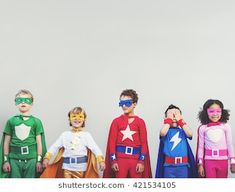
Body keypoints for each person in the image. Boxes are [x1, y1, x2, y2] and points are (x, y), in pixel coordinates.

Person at [41, 106, 105, 178]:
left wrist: (101, 161)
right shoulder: (65, 135)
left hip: (81, 168)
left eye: (80, 116)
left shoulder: (86, 135)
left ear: (84, 119)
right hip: (67, 167)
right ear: (69, 119)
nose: (77, 119)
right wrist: (47, 158)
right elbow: (54, 147)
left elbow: (95, 148)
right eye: (74, 116)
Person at [103, 89, 152, 178]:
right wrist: (113, 160)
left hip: (136, 159)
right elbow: (111, 143)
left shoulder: (140, 122)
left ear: (134, 104)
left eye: (127, 103)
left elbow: (144, 143)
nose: (124, 106)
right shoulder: (116, 122)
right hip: (120, 159)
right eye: (121, 103)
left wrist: (141, 161)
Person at [0, 89, 47, 178]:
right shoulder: (11, 121)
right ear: (16, 103)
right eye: (20, 100)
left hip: (31, 159)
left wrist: (38, 161)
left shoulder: (36, 121)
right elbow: (6, 142)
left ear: (31, 103)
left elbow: (39, 142)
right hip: (14, 159)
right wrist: (5, 160)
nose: (23, 103)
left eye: (26, 100)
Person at [155, 104, 197, 178]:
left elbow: (190, 134)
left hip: (183, 165)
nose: (174, 117)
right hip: (168, 166)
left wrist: (181, 121)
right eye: (171, 114)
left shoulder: (183, 131)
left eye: (176, 114)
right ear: (165, 118)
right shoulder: (166, 131)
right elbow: (162, 132)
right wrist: (168, 121)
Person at [197, 99, 235, 178]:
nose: (215, 114)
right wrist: (200, 164)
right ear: (206, 113)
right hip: (209, 161)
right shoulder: (203, 128)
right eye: (211, 111)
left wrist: (232, 161)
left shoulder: (226, 126)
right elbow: (200, 147)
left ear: (222, 112)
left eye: (218, 111)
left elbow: (229, 144)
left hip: (223, 160)